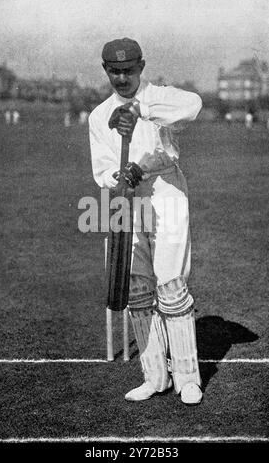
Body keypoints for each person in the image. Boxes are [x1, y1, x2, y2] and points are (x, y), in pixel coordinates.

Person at [88, 38, 203, 404]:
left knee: (170, 284)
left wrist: (140, 109)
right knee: (138, 288)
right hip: (127, 199)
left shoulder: (160, 97)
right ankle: (155, 376)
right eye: (114, 71)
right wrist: (119, 178)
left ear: (141, 66)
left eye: (128, 70)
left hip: (166, 190)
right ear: (106, 70)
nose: (122, 77)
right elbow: (102, 170)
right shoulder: (98, 116)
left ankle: (187, 378)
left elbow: (194, 106)